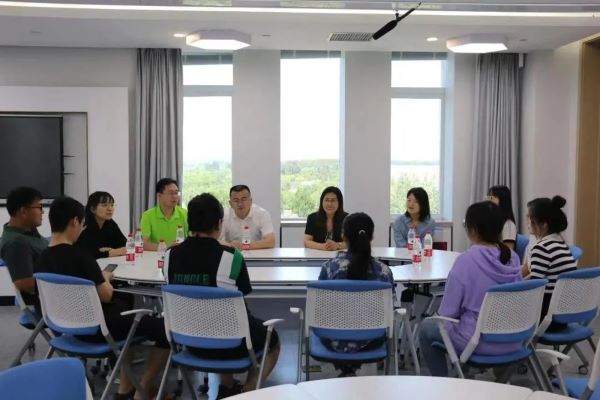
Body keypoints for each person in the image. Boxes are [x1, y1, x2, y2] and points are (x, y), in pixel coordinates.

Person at [35, 197, 170, 400]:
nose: (82, 228)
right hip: (98, 328)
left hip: (63, 328)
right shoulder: (82, 258)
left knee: (126, 312)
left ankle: (125, 389)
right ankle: (142, 390)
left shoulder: (42, 258)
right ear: (74, 222)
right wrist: (105, 278)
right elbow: (106, 295)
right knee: (165, 328)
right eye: (82, 224)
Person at [165, 193, 280, 398]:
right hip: (230, 345)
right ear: (219, 223)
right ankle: (247, 392)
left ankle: (227, 386)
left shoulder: (170, 255)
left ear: (189, 222)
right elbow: (242, 293)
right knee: (272, 340)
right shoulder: (231, 257)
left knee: (224, 319)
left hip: (188, 342)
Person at [419, 201, 522, 377]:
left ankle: (443, 383)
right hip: (514, 339)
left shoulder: (466, 261)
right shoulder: (513, 257)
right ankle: (473, 376)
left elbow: (447, 313)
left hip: (478, 342)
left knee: (427, 328)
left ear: (472, 229)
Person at [318, 212, 395, 377]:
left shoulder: (330, 268)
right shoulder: (384, 271)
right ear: (371, 237)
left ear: (343, 236)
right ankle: (354, 370)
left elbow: (320, 309)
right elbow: (390, 310)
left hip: (333, 340)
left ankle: (344, 370)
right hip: (371, 341)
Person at [523, 195, 577, 331]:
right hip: (562, 315)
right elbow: (537, 276)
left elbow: (534, 287)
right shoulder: (561, 244)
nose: (528, 222)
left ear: (544, 225)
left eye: (530, 219)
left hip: (545, 319)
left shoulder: (541, 248)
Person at [0, 187, 48, 308]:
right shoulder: (16, 243)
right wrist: (64, 282)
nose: (42, 211)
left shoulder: (28, 232)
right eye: (39, 207)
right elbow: (25, 284)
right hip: (51, 301)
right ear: (24, 211)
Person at [220, 185, 275, 250]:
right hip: (232, 253)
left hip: (256, 253)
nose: (240, 204)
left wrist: (244, 246)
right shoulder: (224, 215)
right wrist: (231, 246)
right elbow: (217, 240)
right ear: (230, 203)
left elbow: (271, 241)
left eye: (243, 199)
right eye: (236, 200)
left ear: (250, 201)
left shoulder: (262, 214)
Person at [139, 178, 188, 250]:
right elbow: (142, 244)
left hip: (179, 254)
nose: (175, 196)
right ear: (159, 196)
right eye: (171, 193)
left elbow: (193, 238)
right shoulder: (148, 215)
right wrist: (166, 247)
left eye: (176, 193)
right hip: (156, 255)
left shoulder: (185, 213)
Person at [75, 191, 127, 259]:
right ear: (93, 209)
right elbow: (85, 252)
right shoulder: (84, 224)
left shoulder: (110, 223)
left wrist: (110, 250)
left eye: (112, 205)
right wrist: (112, 252)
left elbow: (125, 245)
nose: (110, 209)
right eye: (105, 205)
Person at [488, 185, 517, 250]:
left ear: (502, 200)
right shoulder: (493, 221)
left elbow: (508, 252)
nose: (489, 200)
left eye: (492, 197)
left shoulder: (508, 225)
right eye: (489, 197)